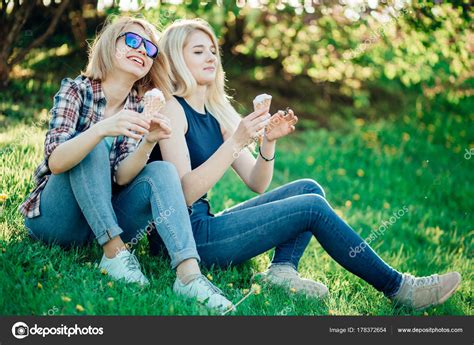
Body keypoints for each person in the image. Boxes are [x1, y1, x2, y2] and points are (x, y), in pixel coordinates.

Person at [147, 18, 461, 311]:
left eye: (213, 50)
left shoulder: (216, 114)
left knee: (309, 188)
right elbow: (182, 195)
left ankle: (281, 272)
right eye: (198, 51)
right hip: (185, 241)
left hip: (206, 225)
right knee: (310, 206)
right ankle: (400, 288)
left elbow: (257, 183)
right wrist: (235, 143)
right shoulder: (174, 109)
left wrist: (267, 142)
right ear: (175, 59)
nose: (211, 57)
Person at [18, 16, 233, 313]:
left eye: (149, 47)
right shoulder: (76, 90)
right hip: (58, 220)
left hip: (100, 219)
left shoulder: (139, 104)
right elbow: (56, 161)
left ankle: (188, 276)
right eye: (132, 41)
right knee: (88, 147)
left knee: (162, 170)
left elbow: (121, 177)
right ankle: (114, 254)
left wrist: (147, 141)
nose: (141, 50)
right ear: (110, 45)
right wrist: (102, 129)